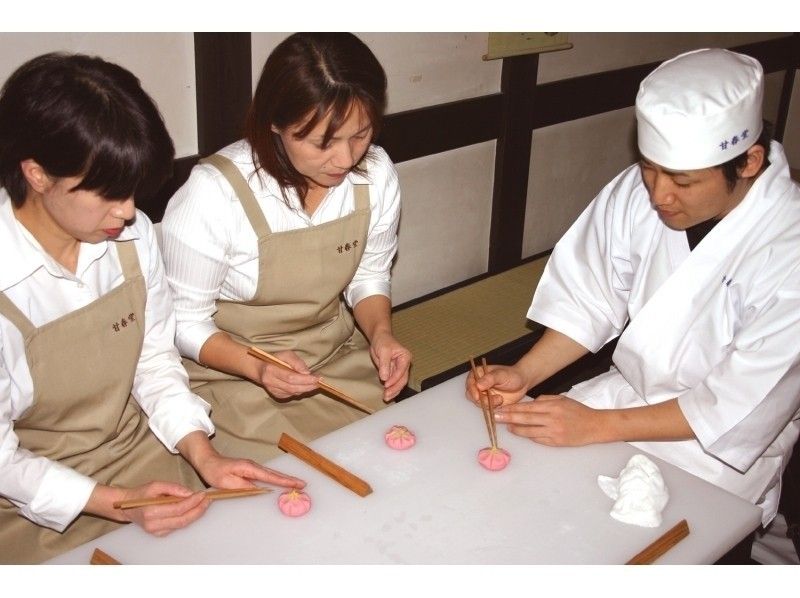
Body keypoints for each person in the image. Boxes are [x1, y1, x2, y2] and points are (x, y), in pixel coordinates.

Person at [467, 49, 800, 536]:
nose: (659, 193)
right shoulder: (642, 190)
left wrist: (598, 428)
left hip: (718, 448)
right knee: (522, 509)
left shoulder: (789, 251)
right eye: (650, 167)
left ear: (748, 162)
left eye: (683, 181)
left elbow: (738, 404)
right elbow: (592, 297)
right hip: (623, 396)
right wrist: (523, 373)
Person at [0, 53, 304, 564]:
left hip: (137, 450)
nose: (127, 210)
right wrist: (114, 504)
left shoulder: (130, 234)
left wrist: (203, 455)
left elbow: (153, 359)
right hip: (28, 496)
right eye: (108, 193)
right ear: (36, 173)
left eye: (132, 191)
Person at [161, 33, 411, 463]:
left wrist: (382, 335)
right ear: (275, 122)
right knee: (295, 487)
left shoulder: (376, 173)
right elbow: (183, 321)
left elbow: (369, 275)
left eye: (360, 134)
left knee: (397, 454)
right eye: (321, 142)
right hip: (235, 376)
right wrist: (258, 367)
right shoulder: (214, 194)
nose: (345, 159)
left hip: (333, 356)